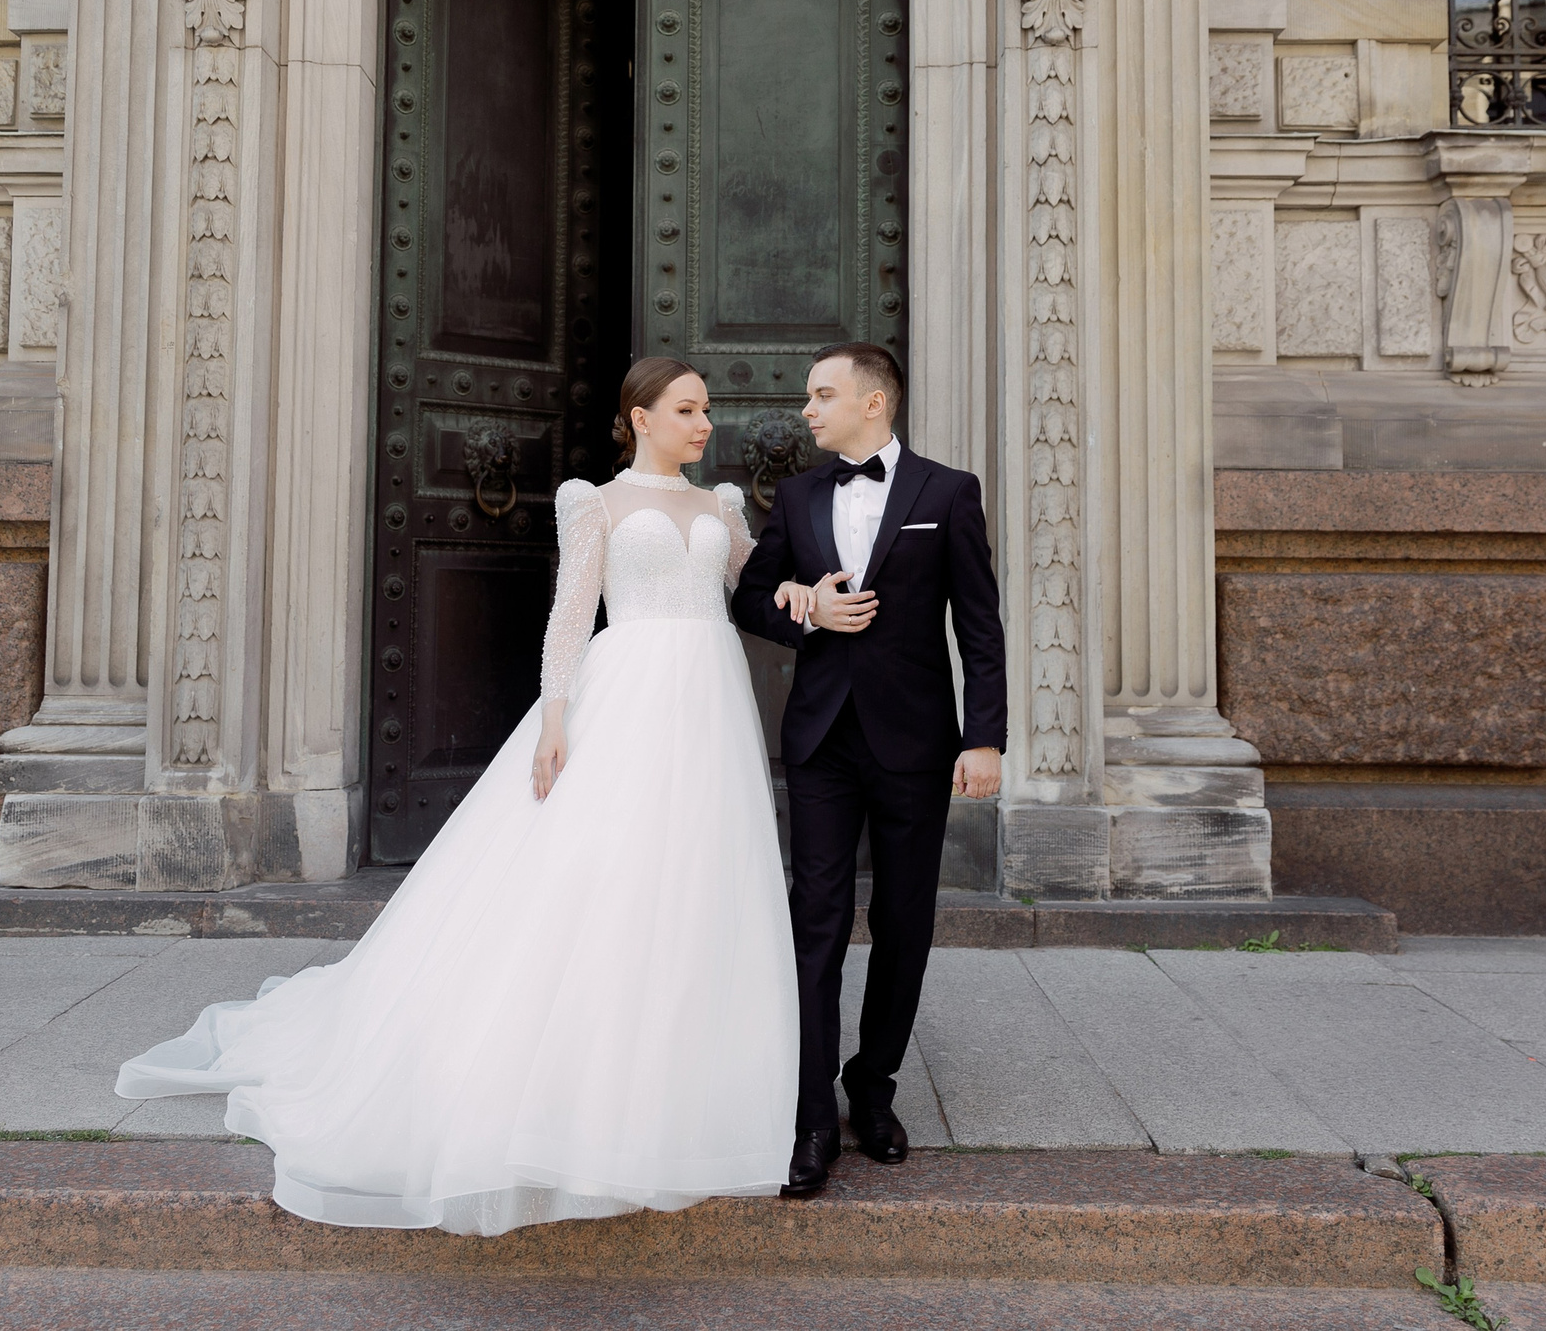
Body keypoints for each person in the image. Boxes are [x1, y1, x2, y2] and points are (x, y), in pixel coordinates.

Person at [115, 358, 798, 1236]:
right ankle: (571, 1075)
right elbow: (568, 615)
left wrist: (809, 594)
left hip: (708, 702)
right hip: (623, 692)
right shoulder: (594, 501)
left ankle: (686, 1076)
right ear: (642, 416)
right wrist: (557, 717)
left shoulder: (725, 508)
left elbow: (758, 591)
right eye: (687, 409)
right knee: (603, 869)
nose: (706, 423)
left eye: (708, 409)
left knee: (698, 876)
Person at [729, 342, 1007, 1198]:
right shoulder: (801, 495)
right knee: (815, 924)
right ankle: (814, 1121)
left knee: (905, 922)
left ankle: (872, 1088)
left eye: (823, 394)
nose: (807, 410)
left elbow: (980, 628)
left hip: (917, 744)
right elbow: (751, 598)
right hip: (821, 743)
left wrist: (983, 739)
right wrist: (805, 610)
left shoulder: (948, 492)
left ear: (873, 403)